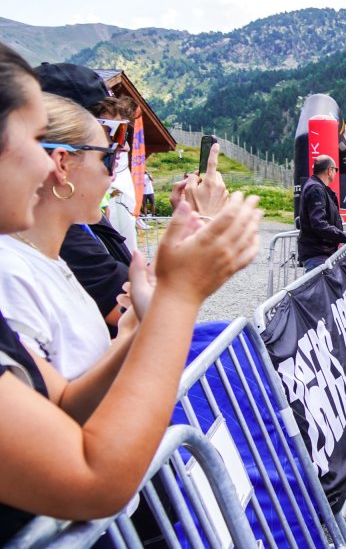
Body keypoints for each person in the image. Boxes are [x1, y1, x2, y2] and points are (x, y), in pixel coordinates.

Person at [0, 43, 263, 542]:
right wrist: (176, 299)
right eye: (34, 142)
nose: (44, 167)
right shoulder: (13, 269)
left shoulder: (51, 261)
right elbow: (94, 480)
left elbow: (62, 400)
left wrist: (139, 329)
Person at [0, 94, 128, 378]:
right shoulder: (12, 273)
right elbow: (58, 411)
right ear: (62, 164)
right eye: (109, 158)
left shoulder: (49, 259)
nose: (111, 176)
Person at [297, 154, 346, 271]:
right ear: (329, 171)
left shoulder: (317, 187)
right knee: (318, 289)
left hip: (321, 252)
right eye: (335, 169)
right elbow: (319, 224)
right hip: (317, 253)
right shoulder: (316, 189)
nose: (336, 173)